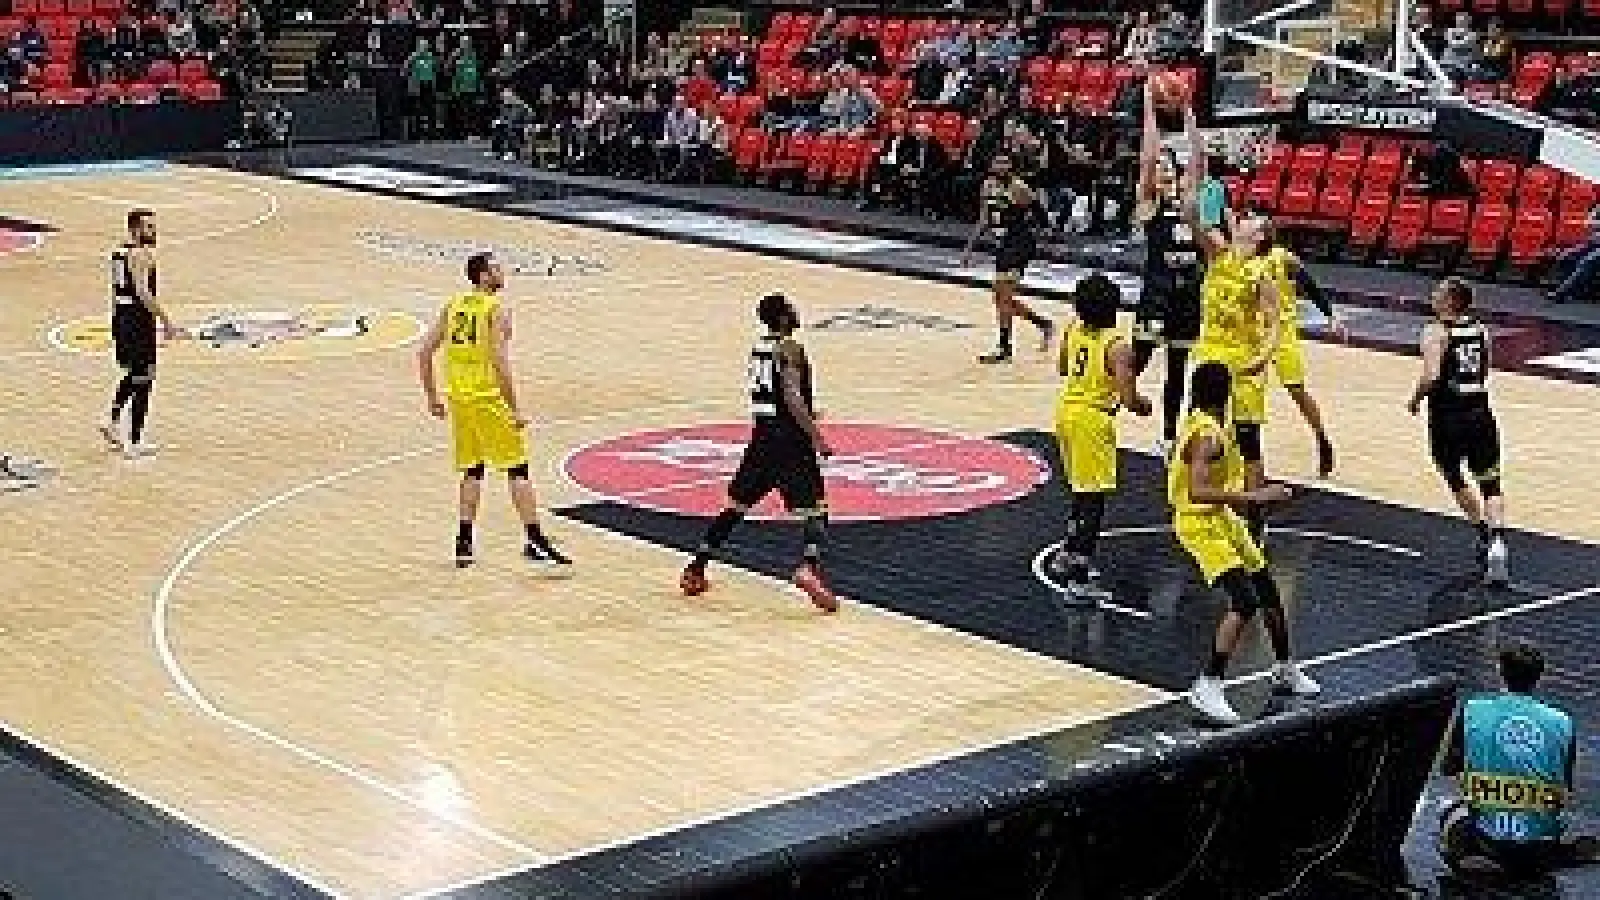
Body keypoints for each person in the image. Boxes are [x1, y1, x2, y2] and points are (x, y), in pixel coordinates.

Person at [1173, 362, 1320, 725]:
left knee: (1268, 592)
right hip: (1199, 524)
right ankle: (1208, 684)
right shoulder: (1206, 435)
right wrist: (1256, 497)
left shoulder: (1208, 422)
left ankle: (1285, 668)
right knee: (1243, 600)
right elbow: (1197, 491)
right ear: (1226, 393)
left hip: (1222, 520)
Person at [679, 294, 838, 613]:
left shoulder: (759, 349)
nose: (796, 312)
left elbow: (775, 394)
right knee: (816, 510)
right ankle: (809, 567)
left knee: (736, 506)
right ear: (782, 318)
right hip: (790, 440)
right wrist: (816, 436)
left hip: (762, 436)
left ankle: (696, 568)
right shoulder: (789, 348)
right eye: (790, 309)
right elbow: (792, 397)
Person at [417, 252, 569, 570]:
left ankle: (464, 542)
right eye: (497, 268)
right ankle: (535, 539)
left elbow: (424, 351)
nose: (504, 272)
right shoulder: (496, 310)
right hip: (487, 397)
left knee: (473, 469)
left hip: (459, 398)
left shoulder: (454, 305)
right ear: (484, 276)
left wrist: (433, 396)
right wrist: (514, 408)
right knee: (518, 468)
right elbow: (500, 363)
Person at [1184, 109, 1282, 543]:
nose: (1244, 219)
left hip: (1242, 364)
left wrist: (1261, 357)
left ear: (1260, 238)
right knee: (1202, 432)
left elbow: (1275, 325)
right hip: (1210, 356)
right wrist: (1198, 154)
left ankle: (1255, 516)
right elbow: (1192, 214)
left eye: (1253, 221)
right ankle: (1202, 500)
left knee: (1247, 441)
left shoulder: (1261, 274)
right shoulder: (1217, 255)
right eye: (1244, 217)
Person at [1440, 642, 1593, 876]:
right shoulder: (1563, 722)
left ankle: (1477, 856)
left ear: (1500, 672)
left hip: (1487, 840)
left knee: (1447, 809)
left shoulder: (1473, 709)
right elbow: (1565, 786)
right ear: (1539, 678)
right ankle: (1531, 856)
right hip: (1540, 845)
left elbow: (1448, 768)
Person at [1050, 274, 1152, 604]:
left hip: (1067, 412)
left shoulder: (1072, 330)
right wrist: (1143, 405)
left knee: (1081, 493)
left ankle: (1067, 553)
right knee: (1093, 502)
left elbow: (1064, 368)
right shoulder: (1117, 345)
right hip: (1093, 420)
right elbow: (1128, 396)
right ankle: (1078, 580)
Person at [1407, 277, 1508, 584]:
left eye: (1438, 293)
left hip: (1447, 417)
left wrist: (1415, 398)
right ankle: (1498, 541)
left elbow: (1432, 375)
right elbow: (1485, 368)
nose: (1432, 296)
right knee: (1491, 483)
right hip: (1480, 413)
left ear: (1451, 301)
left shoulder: (1436, 332)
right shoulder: (1480, 330)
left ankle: (1481, 532)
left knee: (1452, 474)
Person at [1132, 86, 1203, 457]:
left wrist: (1188, 112)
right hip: (1157, 293)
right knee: (1139, 360)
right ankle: (1110, 403)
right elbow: (1146, 158)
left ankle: (1170, 434)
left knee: (1178, 370)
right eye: (1155, 169)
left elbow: (1198, 162)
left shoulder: (1191, 203)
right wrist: (1150, 110)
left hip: (1188, 295)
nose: (1159, 171)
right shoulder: (1149, 206)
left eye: (1165, 168)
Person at [1259, 239, 1345, 478]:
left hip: (1282, 332)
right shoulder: (1236, 256)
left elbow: (1310, 285)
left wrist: (1330, 315)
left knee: (1297, 390)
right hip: (1251, 333)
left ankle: (1321, 438)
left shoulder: (1283, 258)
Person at [962, 154, 1055, 364]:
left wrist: (1048, 239)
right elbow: (984, 219)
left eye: (1005, 162)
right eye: (997, 162)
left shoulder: (1018, 187)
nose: (1001, 166)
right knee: (1000, 299)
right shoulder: (987, 186)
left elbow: (1039, 213)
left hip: (1020, 243)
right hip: (1003, 244)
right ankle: (1043, 324)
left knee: (1003, 295)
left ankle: (1004, 348)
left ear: (1012, 166)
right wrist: (969, 248)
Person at [101, 210, 177, 460]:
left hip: (122, 317)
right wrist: (165, 320)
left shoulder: (118, 253)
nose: (154, 232)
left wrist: (115, 322)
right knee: (145, 377)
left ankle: (111, 420)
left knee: (133, 373)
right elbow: (143, 293)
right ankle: (133, 441)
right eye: (148, 228)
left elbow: (115, 294)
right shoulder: (141, 255)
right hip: (138, 320)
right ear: (135, 230)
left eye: (154, 226)